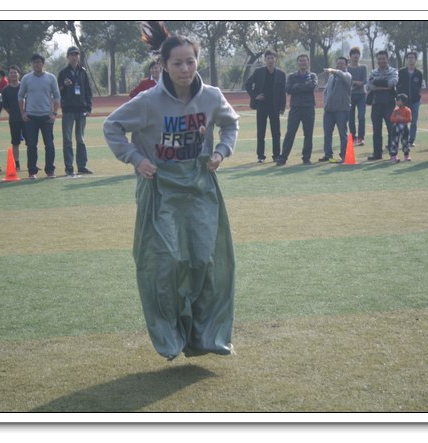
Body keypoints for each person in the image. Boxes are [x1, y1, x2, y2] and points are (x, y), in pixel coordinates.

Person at [103, 20, 239, 361]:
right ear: (163, 65)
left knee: (205, 260)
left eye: (190, 62)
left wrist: (221, 151)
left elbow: (231, 123)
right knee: (167, 263)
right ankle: (170, 337)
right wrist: (136, 159)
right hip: (159, 189)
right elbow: (112, 126)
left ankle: (207, 336)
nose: (185, 69)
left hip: (199, 186)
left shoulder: (211, 96)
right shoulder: (148, 101)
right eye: (177, 63)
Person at [18, 53, 61, 179]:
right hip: (31, 117)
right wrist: (23, 112)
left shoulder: (51, 78)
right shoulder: (26, 78)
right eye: (34, 62)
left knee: (49, 145)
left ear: (43, 63)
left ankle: (50, 170)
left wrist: (54, 113)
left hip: (46, 117)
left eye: (39, 62)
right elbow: (20, 96)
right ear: (32, 64)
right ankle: (32, 171)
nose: (37, 64)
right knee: (31, 145)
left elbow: (57, 96)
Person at [58, 46, 94, 177]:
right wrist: (64, 85)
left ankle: (82, 166)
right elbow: (58, 91)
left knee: (80, 139)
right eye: (72, 55)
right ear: (68, 57)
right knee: (67, 139)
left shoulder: (83, 72)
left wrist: (88, 107)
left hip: (81, 110)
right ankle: (69, 167)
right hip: (68, 110)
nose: (74, 57)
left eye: (76, 54)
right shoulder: (63, 73)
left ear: (79, 56)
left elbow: (88, 91)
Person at [245, 49, 286, 163]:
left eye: (272, 58)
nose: (270, 60)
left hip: (274, 107)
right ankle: (260, 156)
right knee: (261, 132)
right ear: (265, 60)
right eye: (268, 58)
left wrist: (282, 107)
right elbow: (247, 84)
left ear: (275, 59)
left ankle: (276, 155)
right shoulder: (259, 72)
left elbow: (283, 92)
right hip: (261, 106)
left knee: (276, 132)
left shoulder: (281, 74)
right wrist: (255, 96)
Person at [276, 54, 318, 166]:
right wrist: (304, 86)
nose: (302, 62)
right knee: (290, 133)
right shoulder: (292, 76)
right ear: (297, 62)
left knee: (308, 134)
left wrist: (297, 86)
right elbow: (288, 89)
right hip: (295, 108)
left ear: (308, 62)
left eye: (304, 60)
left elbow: (312, 87)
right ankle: (283, 158)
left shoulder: (312, 76)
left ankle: (306, 158)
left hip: (308, 108)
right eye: (300, 61)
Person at [366, 50, 398, 161]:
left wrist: (376, 82)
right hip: (376, 104)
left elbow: (393, 83)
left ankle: (392, 153)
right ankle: (377, 154)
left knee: (391, 129)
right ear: (377, 60)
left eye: (383, 58)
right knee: (376, 130)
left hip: (389, 104)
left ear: (387, 59)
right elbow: (369, 86)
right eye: (379, 59)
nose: (381, 61)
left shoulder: (393, 71)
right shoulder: (373, 72)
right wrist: (385, 85)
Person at [321, 57, 352, 163]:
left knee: (343, 134)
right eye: (338, 64)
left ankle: (344, 155)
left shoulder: (347, 75)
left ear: (346, 65)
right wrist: (326, 102)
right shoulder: (331, 78)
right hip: (329, 110)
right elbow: (326, 91)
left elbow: (341, 75)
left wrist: (333, 70)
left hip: (341, 110)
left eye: (342, 64)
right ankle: (328, 155)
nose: (339, 65)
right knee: (327, 133)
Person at [397, 51, 425, 147]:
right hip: (404, 102)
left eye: (413, 57)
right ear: (406, 59)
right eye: (409, 57)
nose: (411, 59)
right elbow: (398, 85)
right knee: (402, 121)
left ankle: (411, 140)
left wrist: (417, 95)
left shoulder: (419, 73)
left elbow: (420, 86)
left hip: (415, 101)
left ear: (415, 59)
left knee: (413, 121)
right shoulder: (401, 72)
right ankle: (403, 139)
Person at [1, 65, 25, 171]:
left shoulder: (24, 87)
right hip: (14, 120)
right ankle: (17, 164)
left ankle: (32, 163)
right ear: (8, 75)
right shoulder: (5, 90)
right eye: (11, 73)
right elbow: (6, 106)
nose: (13, 74)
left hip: (27, 119)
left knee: (31, 142)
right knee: (15, 143)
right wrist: (14, 113)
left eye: (15, 72)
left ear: (19, 74)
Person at [347, 46, 367, 146]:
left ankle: (361, 137)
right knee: (351, 118)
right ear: (350, 56)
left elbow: (364, 81)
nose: (356, 56)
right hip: (349, 96)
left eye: (357, 54)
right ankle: (353, 137)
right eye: (354, 54)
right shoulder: (347, 68)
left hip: (361, 95)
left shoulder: (363, 68)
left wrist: (353, 82)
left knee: (361, 116)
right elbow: (347, 81)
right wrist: (356, 82)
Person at [388, 93, 412, 162]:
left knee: (405, 141)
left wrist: (401, 118)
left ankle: (406, 155)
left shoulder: (407, 110)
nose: (396, 102)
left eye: (398, 100)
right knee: (394, 141)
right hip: (396, 128)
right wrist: (397, 119)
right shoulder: (396, 110)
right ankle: (394, 156)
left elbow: (409, 119)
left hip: (405, 127)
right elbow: (392, 119)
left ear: (403, 102)